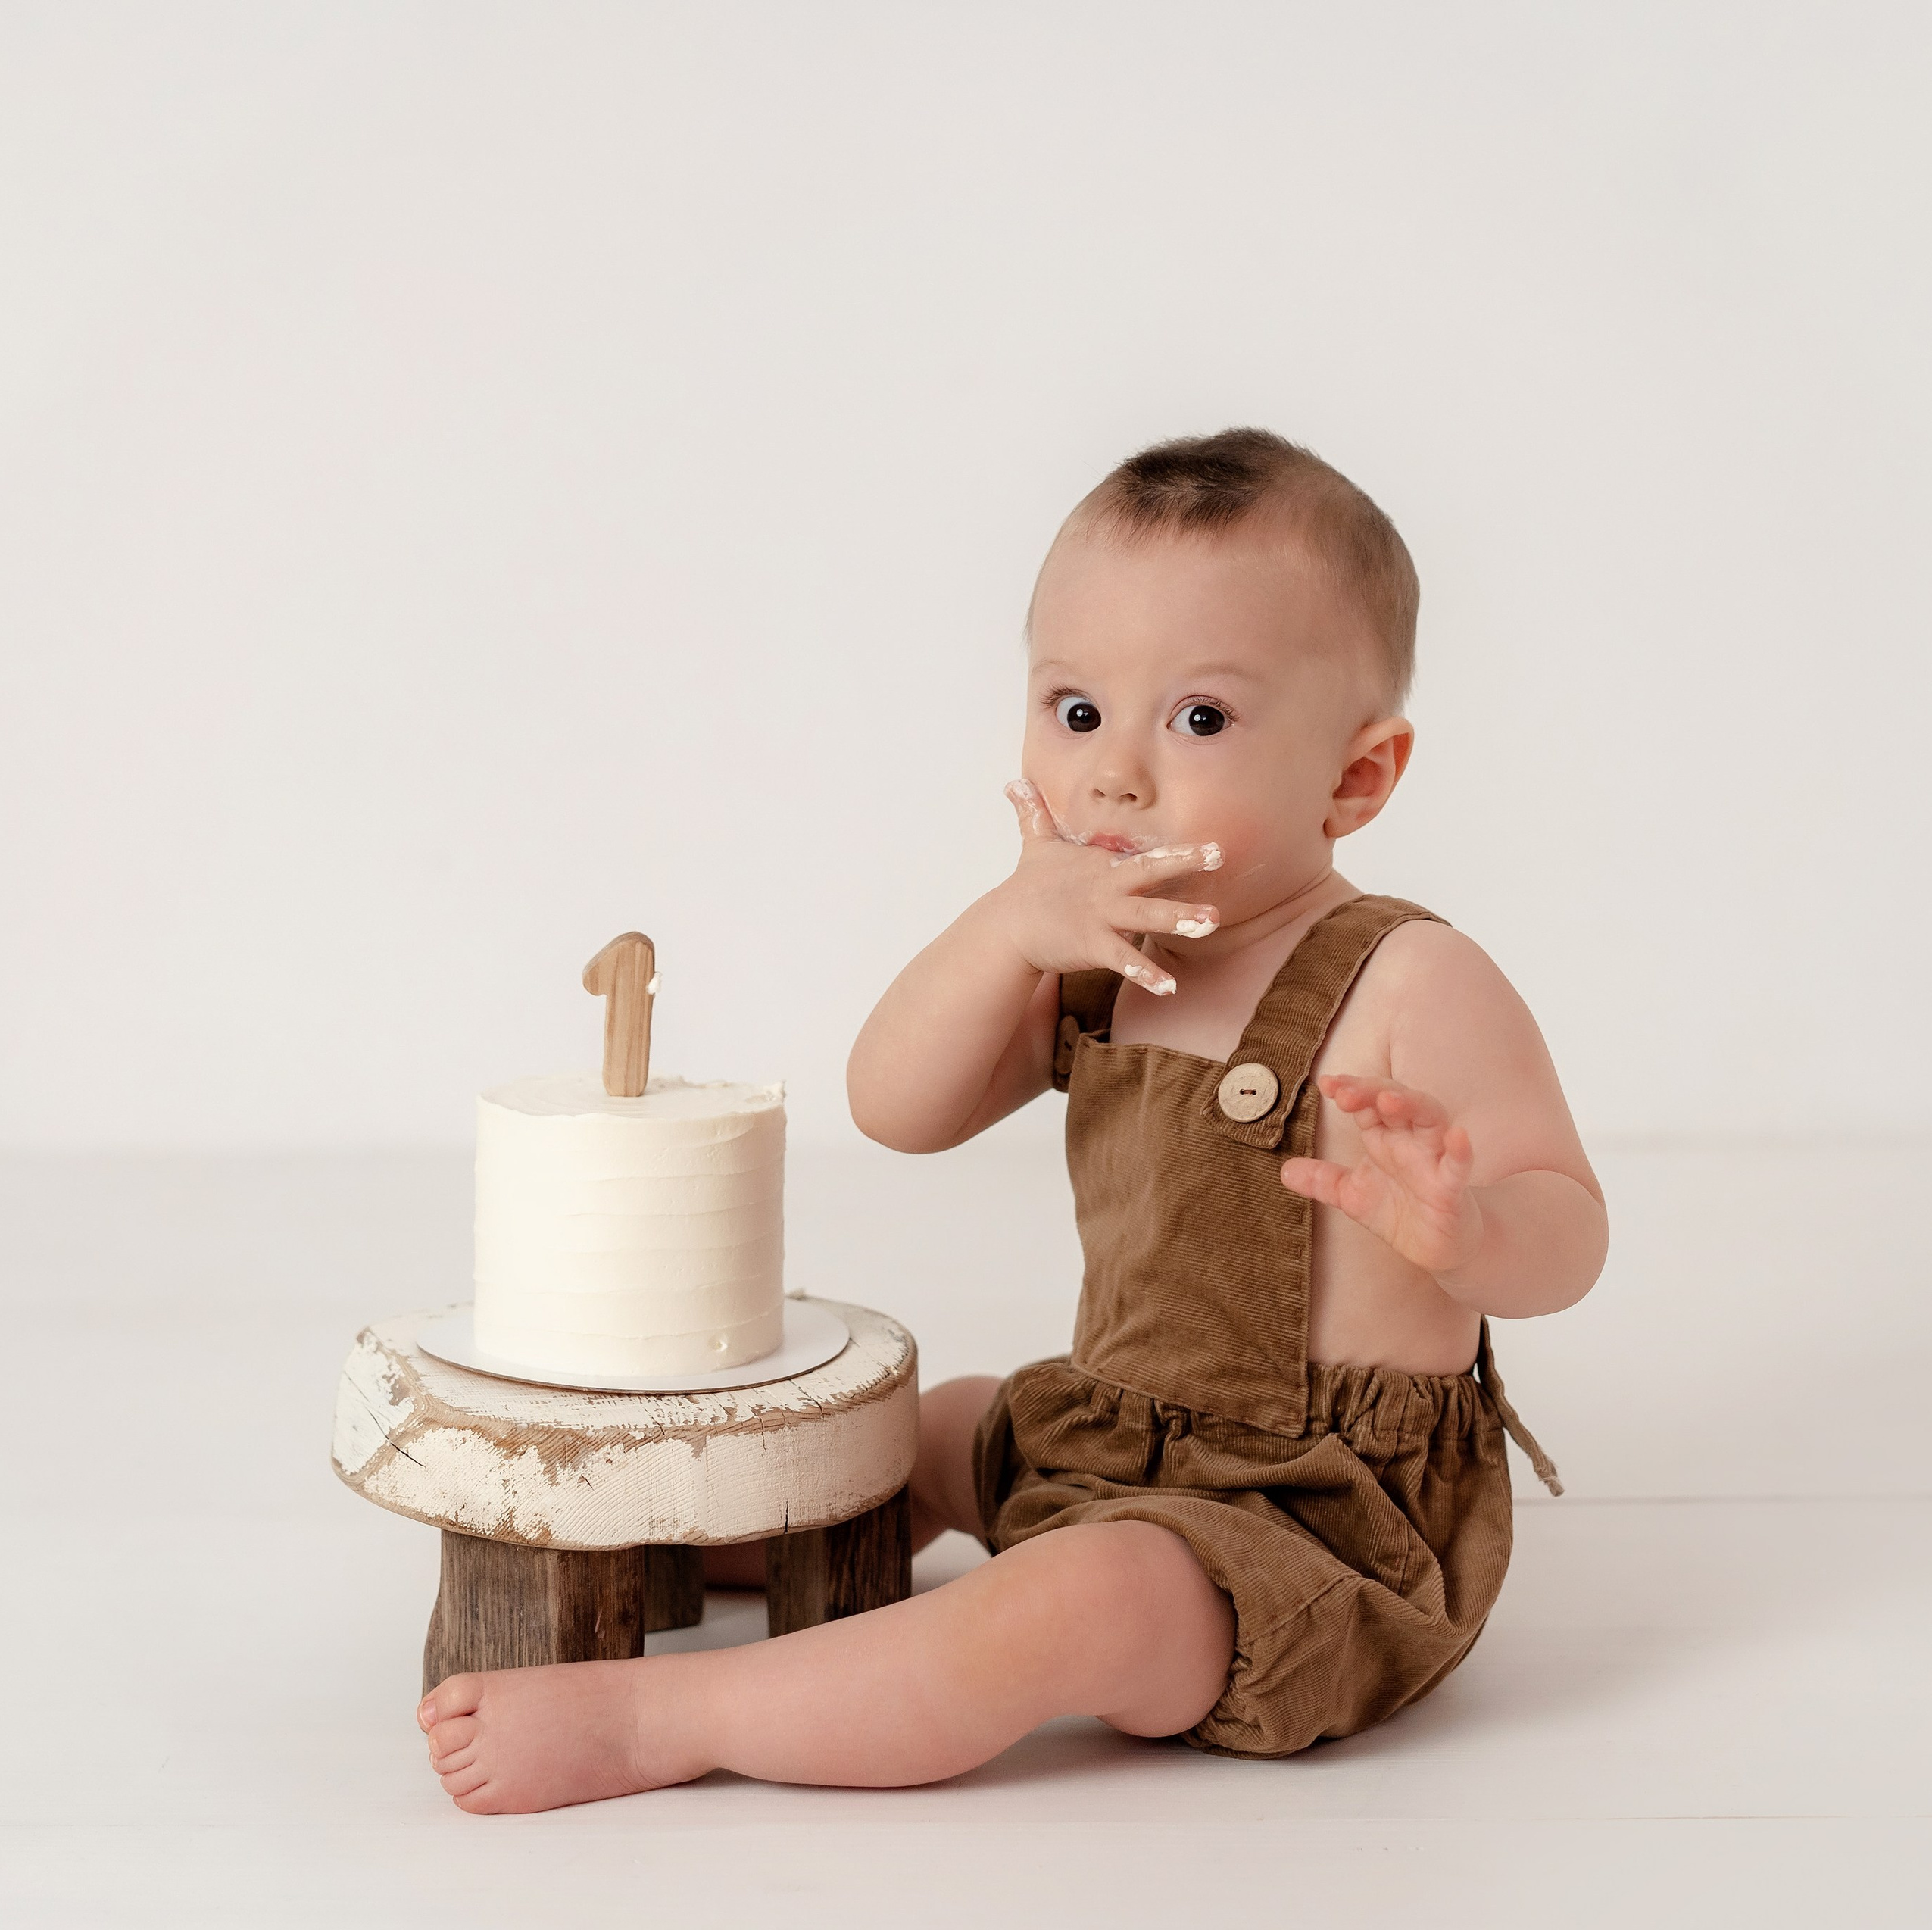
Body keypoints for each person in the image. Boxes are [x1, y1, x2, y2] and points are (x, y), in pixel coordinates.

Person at [418, 427, 1606, 1811]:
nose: (1115, 775)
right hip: (1114, 1440)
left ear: (1356, 779)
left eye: (1201, 719)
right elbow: (895, 1107)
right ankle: (733, 1555)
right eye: (1076, 710)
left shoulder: (1411, 979)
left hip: (1310, 1534)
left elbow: (1570, 1232)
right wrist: (1007, 931)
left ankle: (668, 1721)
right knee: (921, 1432)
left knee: (1076, 1598)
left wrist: (1464, 1228)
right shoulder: (1092, 960)